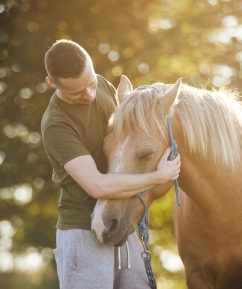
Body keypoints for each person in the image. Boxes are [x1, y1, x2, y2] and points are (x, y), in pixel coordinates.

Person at [41, 39, 180, 289]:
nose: (90, 94)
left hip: (121, 222)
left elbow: (128, 139)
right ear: (52, 84)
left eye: (91, 82)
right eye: (77, 92)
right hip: (82, 232)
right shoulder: (56, 124)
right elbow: (96, 185)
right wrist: (158, 177)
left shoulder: (102, 84)